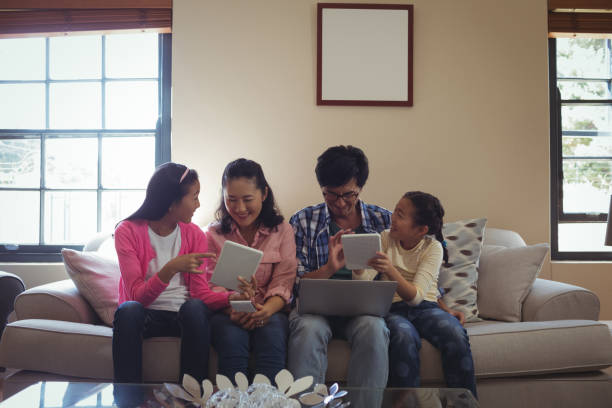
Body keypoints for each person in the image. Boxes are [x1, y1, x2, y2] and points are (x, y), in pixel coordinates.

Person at [112, 162, 248, 384]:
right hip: (145, 315)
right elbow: (136, 296)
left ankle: (192, 397)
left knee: (195, 308)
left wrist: (232, 297)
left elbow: (200, 294)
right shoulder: (127, 231)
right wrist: (172, 267)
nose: (198, 204)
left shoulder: (194, 234)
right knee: (128, 310)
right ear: (172, 203)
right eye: (194, 197)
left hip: (183, 316)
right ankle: (128, 398)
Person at [288, 145, 391, 388]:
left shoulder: (383, 220)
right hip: (315, 312)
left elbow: (424, 252)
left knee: (374, 329)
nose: (340, 203)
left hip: (364, 312)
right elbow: (294, 283)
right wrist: (329, 269)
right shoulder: (303, 221)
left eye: (349, 194)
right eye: (331, 194)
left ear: (361, 188)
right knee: (308, 329)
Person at [362, 191, 477, 398]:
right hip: (392, 309)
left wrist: (390, 269)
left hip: (426, 307)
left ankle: (462, 402)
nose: (393, 218)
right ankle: (405, 403)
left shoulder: (432, 248)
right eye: (395, 211)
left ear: (421, 230)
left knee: (455, 334)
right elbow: (362, 282)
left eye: (400, 215)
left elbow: (416, 297)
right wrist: (359, 267)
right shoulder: (385, 239)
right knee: (404, 336)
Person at [207, 158, 296, 383]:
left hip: (269, 310)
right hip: (227, 311)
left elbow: (284, 281)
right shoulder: (212, 234)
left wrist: (266, 310)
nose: (240, 208)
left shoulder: (282, 230)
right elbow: (209, 285)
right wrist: (233, 309)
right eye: (231, 200)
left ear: (264, 194)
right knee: (232, 341)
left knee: (272, 338)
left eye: (248, 199)